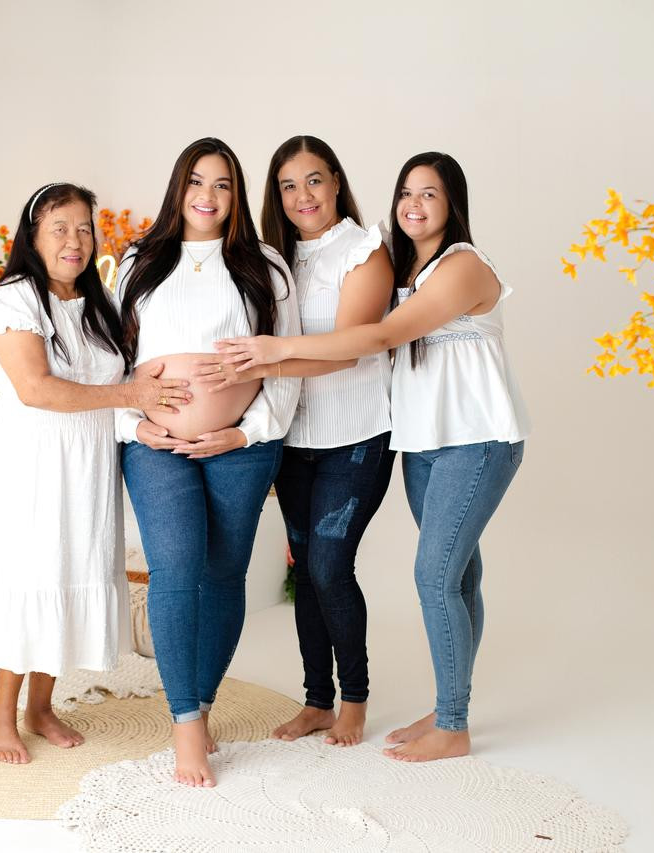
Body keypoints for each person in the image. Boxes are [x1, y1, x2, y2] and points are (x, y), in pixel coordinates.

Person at [216, 152, 530, 762]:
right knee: (461, 577)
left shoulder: (462, 266)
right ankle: (448, 706)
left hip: (478, 439)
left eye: (429, 193)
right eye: (406, 192)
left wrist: (272, 353)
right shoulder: (409, 266)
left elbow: (381, 337)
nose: (414, 204)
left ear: (453, 202)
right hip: (424, 442)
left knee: (435, 577)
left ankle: (453, 725)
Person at [0, 182, 191, 765]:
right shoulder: (14, 300)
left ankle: (41, 707)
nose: (74, 241)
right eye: (59, 229)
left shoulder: (98, 303)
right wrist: (133, 395)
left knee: (70, 574)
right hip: (36, 467)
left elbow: (111, 396)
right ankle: (2, 713)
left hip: (89, 467)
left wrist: (143, 425)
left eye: (83, 229)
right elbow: (37, 389)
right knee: (33, 579)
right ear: (33, 237)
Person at [195, 135, 394, 746]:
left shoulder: (364, 252)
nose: (302, 195)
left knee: (331, 567)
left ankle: (354, 699)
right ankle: (317, 701)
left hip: (357, 437)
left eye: (313, 180)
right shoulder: (272, 260)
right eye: (287, 185)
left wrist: (264, 358)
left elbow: (349, 349)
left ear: (335, 183)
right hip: (292, 439)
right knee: (305, 570)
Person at [116, 137, 301, 786]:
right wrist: (133, 422)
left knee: (223, 574)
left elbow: (285, 364)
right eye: (197, 180)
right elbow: (111, 357)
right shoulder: (139, 261)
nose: (208, 194)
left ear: (237, 195)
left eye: (223, 184)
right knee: (174, 567)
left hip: (240, 448)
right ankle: (185, 723)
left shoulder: (265, 266)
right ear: (178, 187)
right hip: (156, 446)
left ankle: (203, 700)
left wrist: (244, 434)